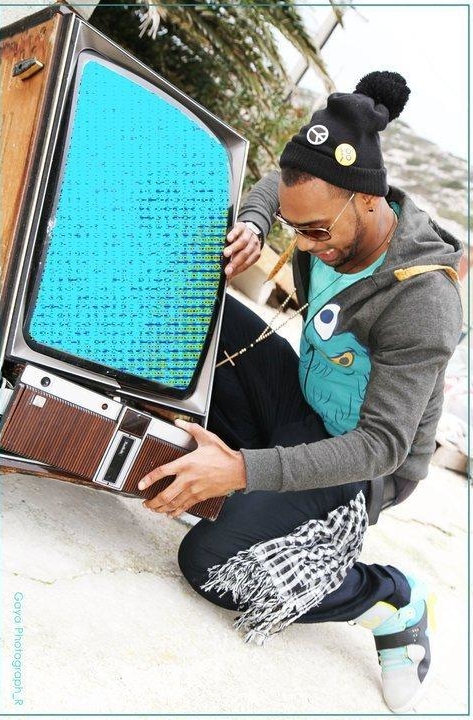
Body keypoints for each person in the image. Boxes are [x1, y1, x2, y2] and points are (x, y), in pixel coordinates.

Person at [137, 71, 463, 713]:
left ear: (367, 201)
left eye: (315, 232)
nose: (305, 244)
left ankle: (387, 598)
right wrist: (256, 223)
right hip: (300, 403)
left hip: (359, 465)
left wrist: (241, 470)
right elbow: (278, 187)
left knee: (211, 562)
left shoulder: (423, 298)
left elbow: (383, 446)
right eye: (296, 229)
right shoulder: (322, 206)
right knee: (196, 300)